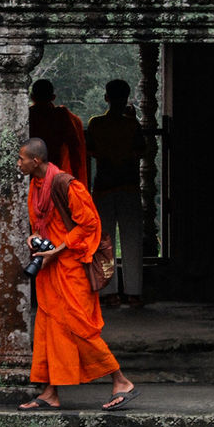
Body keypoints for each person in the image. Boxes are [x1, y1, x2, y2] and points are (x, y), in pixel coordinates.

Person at [16, 138, 137, 412]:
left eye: (21, 158)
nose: (18, 163)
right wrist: (35, 238)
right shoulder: (35, 186)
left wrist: (57, 249)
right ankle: (50, 392)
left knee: (78, 326)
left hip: (70, 267)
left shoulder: (66, 184)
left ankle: (121, 381)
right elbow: (43, 222)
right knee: (48, 328)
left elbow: (90, 224)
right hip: (51, 269)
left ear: (36, 161)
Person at [87, 79, 146, 308]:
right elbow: (141, 150)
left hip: (103, 185)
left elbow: (90, 150)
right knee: (132, 239)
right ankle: (134, 292)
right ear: (127, 98)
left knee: (104, 241)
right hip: (128, 185)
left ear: (106, 98)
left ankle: (109, 292)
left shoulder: (96, 123)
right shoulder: (132, 125)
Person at [28, 79, 88, 186]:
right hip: (54, 172)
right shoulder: (60, 116)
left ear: (32, 97)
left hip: (30, 174)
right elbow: (74, 149)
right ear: (53, 97)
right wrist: (76, 178)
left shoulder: (27, 116)